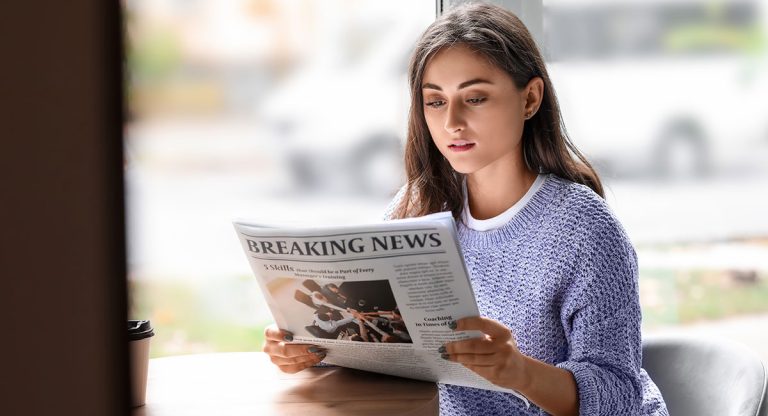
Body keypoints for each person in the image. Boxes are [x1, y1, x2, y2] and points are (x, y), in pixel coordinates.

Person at [263, 3, 668, 415]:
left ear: (530, 99)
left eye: (474, 98)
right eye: (435, 102)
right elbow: (386, 353)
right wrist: (318, 349)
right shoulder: (414, 208)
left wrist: (518, 372)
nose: (452, 121)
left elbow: (620, 397)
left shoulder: (584, 228)